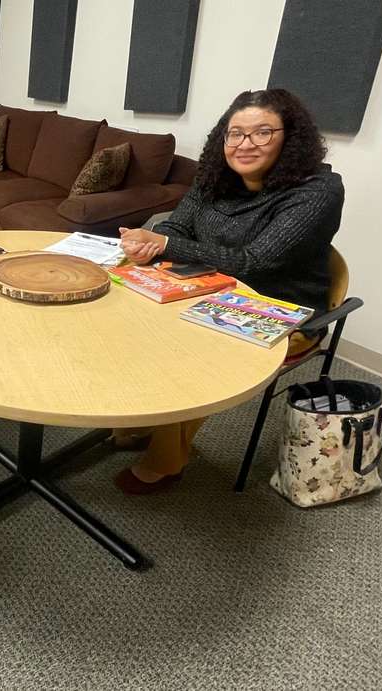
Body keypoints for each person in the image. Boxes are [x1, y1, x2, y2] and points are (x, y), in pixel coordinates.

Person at [113, 88, 345, 494]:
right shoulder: (215, 178)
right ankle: (147, 419)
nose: (244, 144)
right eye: (234, 134)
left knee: (190, 347)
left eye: (261, 133)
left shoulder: (317, 191)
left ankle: (167, 460)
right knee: (132, 316)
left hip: (282, 309)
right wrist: (156, 241)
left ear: (289, 138)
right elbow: (174, 227)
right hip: (208, 287)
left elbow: (256, 262)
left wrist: (166, 246)